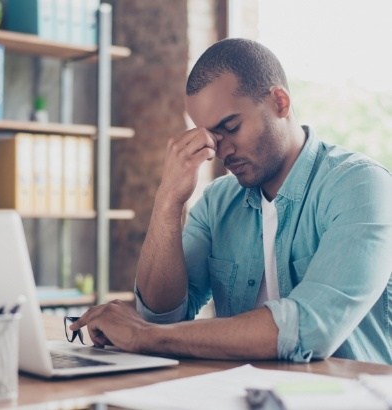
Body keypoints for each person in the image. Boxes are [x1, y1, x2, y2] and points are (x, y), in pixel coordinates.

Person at [71, 38, 392, 364]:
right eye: (210, 137)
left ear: (280, 102)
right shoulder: (217, 202)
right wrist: (168, 200)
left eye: (231, 127)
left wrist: (143, 336)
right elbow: (160, 315)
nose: (220, 152)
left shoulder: (362, 186)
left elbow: (310, 330)